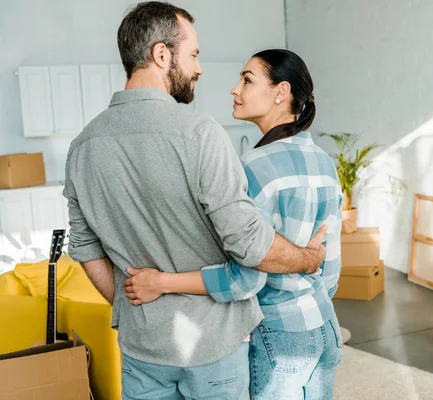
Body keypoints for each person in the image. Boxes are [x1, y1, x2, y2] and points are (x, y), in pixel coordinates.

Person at [63, 3, 327, 399]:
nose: (199, 69)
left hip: (141, 347)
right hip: (212, 347)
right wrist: (310, 258)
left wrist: (134, 307)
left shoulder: (81, 146)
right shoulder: (200, 133)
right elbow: (250, 245)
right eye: (194, 55)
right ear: (162, 54)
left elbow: (83, 246)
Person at [125, 49, 344, 400]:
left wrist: (162, 282)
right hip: (324, 327)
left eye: (247, 79)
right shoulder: (324, 162)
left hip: (277, 334)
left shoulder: (252, 167)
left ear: (280, 91)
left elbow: (246, 276)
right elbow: (330, 265)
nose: (234, 89)